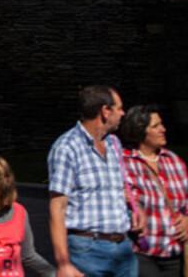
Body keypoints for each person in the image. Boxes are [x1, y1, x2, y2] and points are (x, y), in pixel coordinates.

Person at [48, 85, 140, 277]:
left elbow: (116, 189)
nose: (123, 113)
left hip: (123, 249)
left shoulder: (114, 143)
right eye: (119, 108)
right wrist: (63, 263)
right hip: (88, 252)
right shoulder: (67, 148)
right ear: (105, 111)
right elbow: (57, 208)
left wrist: (136, 208)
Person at [120, 105, 188, 276]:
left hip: (175, 252)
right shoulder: (123, 163)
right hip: (142, 252)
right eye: (156, 126)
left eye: (161, 124)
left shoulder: (174, 161)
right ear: (140, 130)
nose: (163, 129)